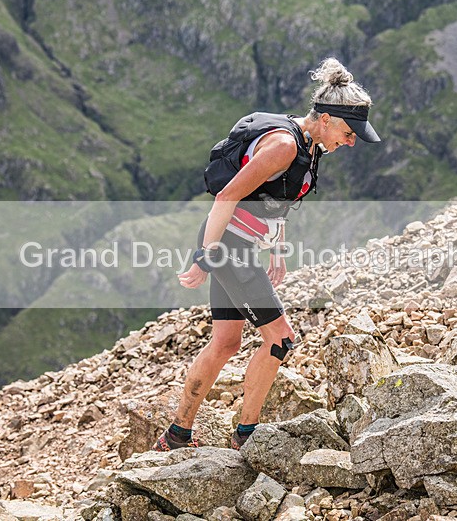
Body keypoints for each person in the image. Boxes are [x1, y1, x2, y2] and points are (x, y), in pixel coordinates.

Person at [154, 58, 381, 451]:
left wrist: (276, 248)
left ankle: (176, 436)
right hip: (227, 245)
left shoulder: (312, 145)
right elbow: (227, 195)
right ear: (325, 119)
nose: (351, 141)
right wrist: (204, 255)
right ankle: (248, 438)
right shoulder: (283, 145)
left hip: (239, 244)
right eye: (348, 132)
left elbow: (276, 200)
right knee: (280, 339)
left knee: (226, 342)